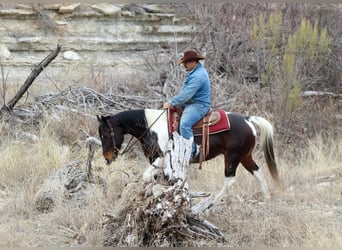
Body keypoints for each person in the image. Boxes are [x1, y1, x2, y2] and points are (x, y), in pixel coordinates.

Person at [163, 50, 211, 161]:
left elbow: (186, 94)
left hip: (199, 105)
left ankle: (191, 152)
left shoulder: (198, 76)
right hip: (191, 103)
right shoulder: (195, 72)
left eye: (186, 63)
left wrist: (171, 102)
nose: (184, 65)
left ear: (193, 62)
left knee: (184, 124)